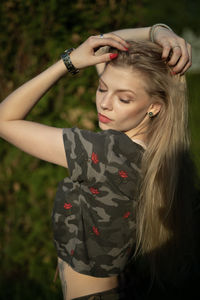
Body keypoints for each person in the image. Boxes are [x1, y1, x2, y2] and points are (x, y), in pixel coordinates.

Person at [0, 24, 199, 300]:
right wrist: (160, 32)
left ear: (155, 106)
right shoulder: (162, 150)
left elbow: (4, 120)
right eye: (102, 88)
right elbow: (104, 45)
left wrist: (67, 63)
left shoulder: (105, 153)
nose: (105, 104)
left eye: (124, 98)